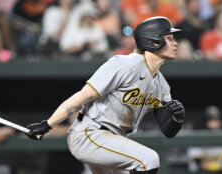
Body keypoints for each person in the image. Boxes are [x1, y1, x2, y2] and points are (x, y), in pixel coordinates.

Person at [25, 16, 186, 174]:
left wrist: (177, 118)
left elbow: (168, 131)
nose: (175, 43)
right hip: (90, 134)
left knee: (145, 161)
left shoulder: (161, 84)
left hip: (113, 139)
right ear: (153, 41)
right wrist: (48, 125)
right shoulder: (124, 65)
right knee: (149, 160)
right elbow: (84, 96)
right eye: (169, 38)